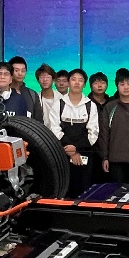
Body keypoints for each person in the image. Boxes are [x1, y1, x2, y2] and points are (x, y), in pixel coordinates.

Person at [56, 69, 100, 197]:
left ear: (84, 84)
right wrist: (70, 150)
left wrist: (76, 149)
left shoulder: (90, 105)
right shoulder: (58, 104)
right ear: (68, 82)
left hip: (84, 154)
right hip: (63, 154)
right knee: (65, 190)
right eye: (73, 79)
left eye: (80, 80)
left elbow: (93, 132)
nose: (77, 82)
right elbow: (54, 129)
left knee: (84, 190)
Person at [9, 55, 44, 120]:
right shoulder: (3, 93)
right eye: (16, 70)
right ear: (10, 72)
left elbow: (39, 121)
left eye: (23, 71)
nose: (20, 73)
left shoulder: (32, 95)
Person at [36, 63, 65, 135]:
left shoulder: (62, 99)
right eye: (41, 77)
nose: (45, 80)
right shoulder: (35, 98)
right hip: (40, 135)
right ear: (38, 80)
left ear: (53, 80)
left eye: (48, 77)